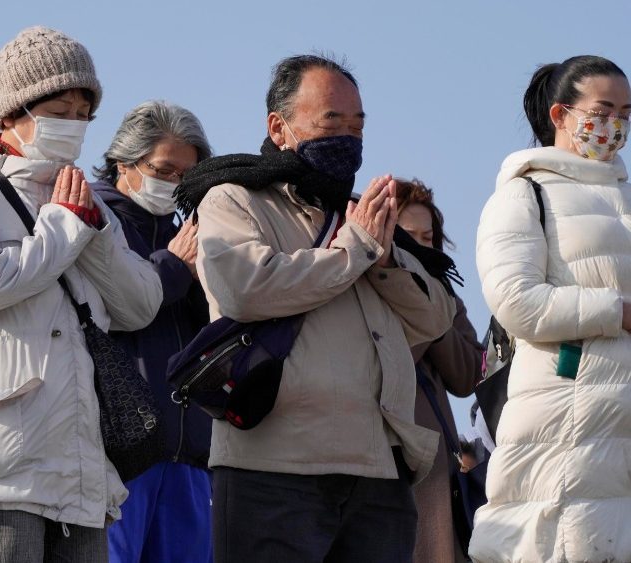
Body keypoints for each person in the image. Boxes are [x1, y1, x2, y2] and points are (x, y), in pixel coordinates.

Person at [175, 54, 457, 563]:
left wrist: (385, 260)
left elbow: (436, 318)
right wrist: (356, 250)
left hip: (379, 470)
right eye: (331, 123)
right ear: (278, 128)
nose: (347, 138)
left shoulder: (360, 215)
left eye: (357, 126)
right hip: (274, 467)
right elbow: (246, 290)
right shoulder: (233, 199)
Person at [0, 27, 162, 563]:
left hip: (80, 464)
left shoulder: (87, 200)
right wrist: (65, 226)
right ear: (11, 113)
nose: (74, 125)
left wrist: (93, 233)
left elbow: (140, 305)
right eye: (59, 111)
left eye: (83, 113)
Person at [472, 55, 631, 562]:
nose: (615, 124)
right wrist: (618, 311)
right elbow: (517, 301)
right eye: (603, 111)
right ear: (560, 115)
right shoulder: (524, 193)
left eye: (625, 113)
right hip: (562, 417)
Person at [90, 101, 213, 563]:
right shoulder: (93, 219)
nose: (174, 183)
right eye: (163, 170)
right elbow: (122, 306)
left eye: (187, 175)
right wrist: (175, 267)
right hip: (120, 453)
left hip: (190, 453)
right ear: (124, 163)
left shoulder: (192, 231)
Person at [394, 179, 483, 562]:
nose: (419, 244)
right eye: (407, 235)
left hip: (437, 467)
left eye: (427, 237)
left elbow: (469, 375)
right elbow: (388, 363)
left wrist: (431, 310)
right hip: (384, 456)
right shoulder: (363, 288)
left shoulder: (446, 295)